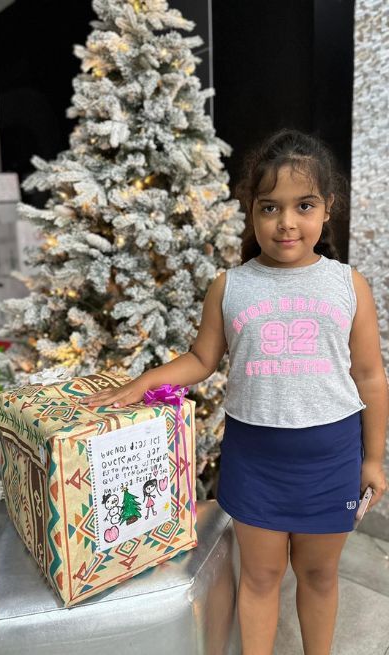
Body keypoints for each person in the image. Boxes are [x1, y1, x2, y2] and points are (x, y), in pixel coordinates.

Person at [85, 130, 388, 655]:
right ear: (251, 211)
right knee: (260, 577)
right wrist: (144, 381)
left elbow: (370, 376)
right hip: (256, 461)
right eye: (270, 207)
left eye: (304, 206)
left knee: (318, 577)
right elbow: (202, 359)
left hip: (330, 459)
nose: (286, 222)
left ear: (328, 209)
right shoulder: (231, 285)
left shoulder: (348, 284)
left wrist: (375, 458)